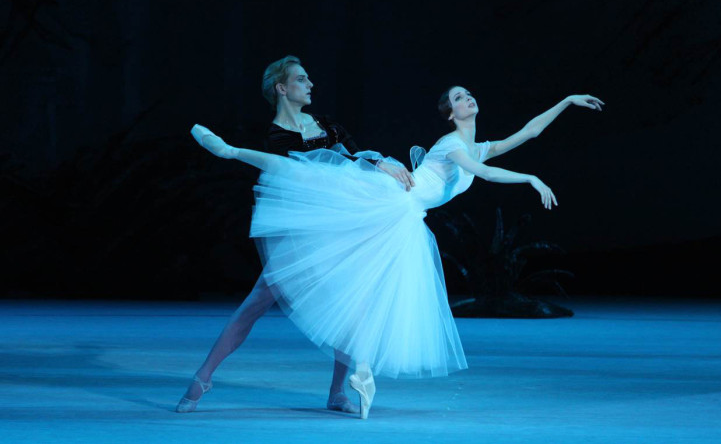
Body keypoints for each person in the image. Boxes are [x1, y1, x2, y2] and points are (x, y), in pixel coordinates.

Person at [190, 84, 604, 419]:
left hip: (404, 217)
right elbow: (481, 173)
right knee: (311, 173)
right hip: (388, 200)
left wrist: (567, 101)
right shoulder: (449, 144)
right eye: (458, 98)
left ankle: (356, 376)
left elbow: (528, 132)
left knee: (364, 297)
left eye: (469, 94)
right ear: (449, 113)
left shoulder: (479, 145)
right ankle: (230, 151)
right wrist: (530, 177)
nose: (467, 99)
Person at [176, 56, 413, 415]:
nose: (311, 85)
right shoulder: (274, 136)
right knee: (258, 300)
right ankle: (203, 377)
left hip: (334, 224)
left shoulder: (327, 125)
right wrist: (230, 151)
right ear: (281, 88)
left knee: (350, 305)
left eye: (309, 79)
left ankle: (338, 393)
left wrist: (378, 162)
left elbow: (349, 160)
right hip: (297, 229)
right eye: (302, 80)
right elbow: (297, 171)